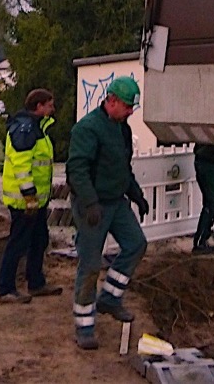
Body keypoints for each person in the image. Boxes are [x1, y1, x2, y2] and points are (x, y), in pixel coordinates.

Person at [67, 76, 150, 351]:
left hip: (116, 202)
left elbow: (123, 167)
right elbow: (77, 169)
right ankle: (84, 324)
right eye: (127, 107)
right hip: (93, 205)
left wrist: (136, 194)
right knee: (90, 264)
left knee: (136, 244)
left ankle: (110, 299)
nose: (130, 112)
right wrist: (90, 203)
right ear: (111, 101)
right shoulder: (88, 129)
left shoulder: (121, 129)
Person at [0, 88, 63, 304]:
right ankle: (5, 288)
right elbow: (22, 165)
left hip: (36, 201)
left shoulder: (36, 128)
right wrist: (29, 196)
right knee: (18, 242)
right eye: (49, 105)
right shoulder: (26, 129)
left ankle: (36, 283)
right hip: (24, 200)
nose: (53, 109)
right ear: (39, 106)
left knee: (39, 239)